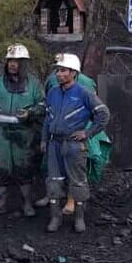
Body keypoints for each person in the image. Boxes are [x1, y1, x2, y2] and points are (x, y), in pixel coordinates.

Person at [36, 54, 113, 214]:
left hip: (74, 144)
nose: (58, 74)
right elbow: (47, 117)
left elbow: (103, 113)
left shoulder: (84, 92)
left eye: (62, 70)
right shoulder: (53, 92)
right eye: (57, 70)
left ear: (73, 73)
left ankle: (79, 217)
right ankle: (55, 217)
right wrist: (44, 139)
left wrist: (88, 132)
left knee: (78, 181)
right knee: (54, 180)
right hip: (54, 143)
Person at [0, 43, 45, 217]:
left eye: (17, 61)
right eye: (10, 60)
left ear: (24, 63)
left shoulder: (33, 83)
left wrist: (31, 113)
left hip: (24, 134)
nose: (12, 64)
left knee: (24, 169)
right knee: (1, 168)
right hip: (2, 133)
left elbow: (43, 104)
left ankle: (27, 205)